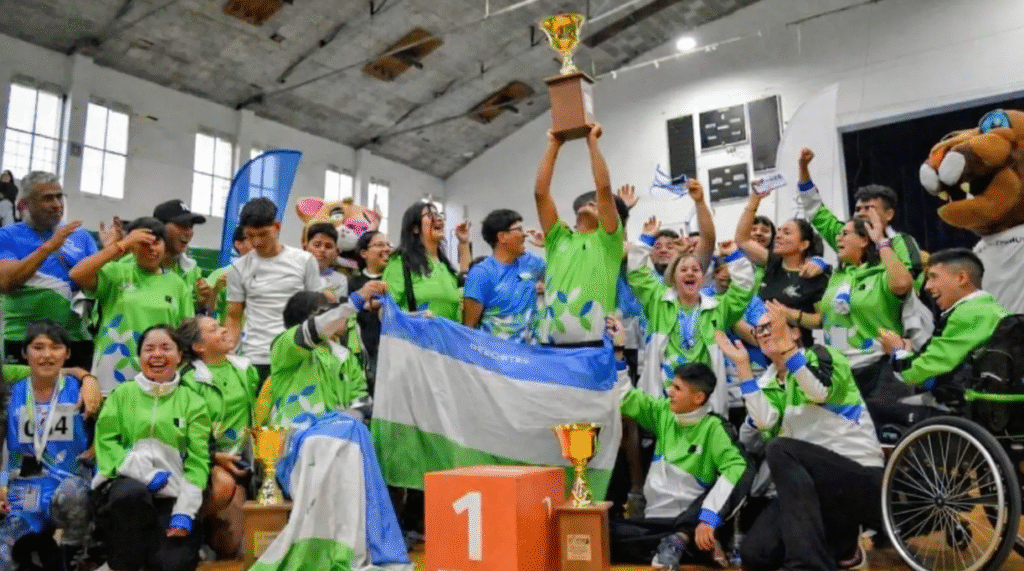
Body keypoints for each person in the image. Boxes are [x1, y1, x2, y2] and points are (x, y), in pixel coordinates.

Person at [718, 303, 883, 571]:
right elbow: (764, 422)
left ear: (795, 332)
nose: (763, 333)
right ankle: (843, 548)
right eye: (759, 330)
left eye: (771, 325)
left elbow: (819, 391)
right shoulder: (767, 383)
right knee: (755, 554)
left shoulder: (824, 355)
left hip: (858, 476)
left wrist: (788, 351)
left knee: (781, 449)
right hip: (809, 488)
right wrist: (743, 368)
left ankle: (807, 565)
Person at [607, 317, 750, 570]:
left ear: (698, 398)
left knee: (694, 532)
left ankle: (682, 542)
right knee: (605, 532)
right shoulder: (663, 412)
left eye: (677, 388)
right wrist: (619, 352)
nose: (670, 392)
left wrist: (708, 517)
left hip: (691, 521)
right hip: (654, 521)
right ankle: (677, 546)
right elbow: (625, 397)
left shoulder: (714, 427)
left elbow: (737, 469)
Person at [93, 325, 211, 571]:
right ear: (139, 357)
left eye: (166, 348)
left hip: (172, 495)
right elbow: (106, 444)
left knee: (173, 565)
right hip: (127, 488)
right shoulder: (122, 394)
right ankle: (122, 563)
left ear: (179, 356)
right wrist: (145, 474)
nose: (157, 355)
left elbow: (198, 462)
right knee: (131, 495)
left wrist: (185, 510)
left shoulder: (194, 403)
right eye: (149, 349)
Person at [776, 213, 913, 396]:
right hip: (841, 370)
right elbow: (829, 319)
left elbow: (902, 284)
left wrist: (881, 241)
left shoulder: (881, 273)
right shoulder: (837, 276)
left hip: (878, 368)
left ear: (864, 240)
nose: (838, 238)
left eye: (845, 234)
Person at [626, 224, 755, 410]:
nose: (690, 273)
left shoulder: (718, 308)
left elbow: (744, 290)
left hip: (703, 397)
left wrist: (734, 256)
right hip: (665, 395)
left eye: (695, 270)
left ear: (703, 278)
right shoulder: (658, 301)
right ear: (674, 278)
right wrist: (646, 238)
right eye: (684, 270)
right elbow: (637, 274)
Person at [0, 321, 92, 571]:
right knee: (3, 558)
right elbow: (5, 448)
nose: (47, 355)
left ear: (67, 353)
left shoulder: (82, 391)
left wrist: (86, 377)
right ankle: (40, 547)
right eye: (38, 347)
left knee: (73, 494)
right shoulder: (11, 394)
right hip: (26, 490)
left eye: (55, 347)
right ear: (24, 353)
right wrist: (1, 482)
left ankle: (74, 553)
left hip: (70, 484)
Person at [69, 217, 194, 395]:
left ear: (165, 246)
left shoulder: (177, 285)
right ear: (132, 247)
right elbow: (77, 274)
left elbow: (186, 332)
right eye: (143, 244)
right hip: (112, 370)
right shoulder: (116, 273)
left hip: (158, 370)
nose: (151, 249)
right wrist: (122, 244)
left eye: (156, 243)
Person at [533, 124, 627, 345]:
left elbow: (604, 189)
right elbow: (540, 193)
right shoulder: (557, 238)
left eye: (596, 204)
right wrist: (553, 145)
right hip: (550, 344)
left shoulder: (608, 242)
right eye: (587, 202)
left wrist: (592, 142)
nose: (591, 203)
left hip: (594, 344)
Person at [177, 316, 259, 558]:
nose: (223, 330)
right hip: (204, 460)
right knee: (223, 485)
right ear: (198, 346)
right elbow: (186, 433)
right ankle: (186, 531)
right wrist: (215, 457)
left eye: (221, 326)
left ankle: (209, 534)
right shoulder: (188, 381)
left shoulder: (246, 369)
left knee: (232, 547)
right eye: (214, 329)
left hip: (242, 459)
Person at [0, 171, 98, 368]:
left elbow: (99, 285)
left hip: (77, 339)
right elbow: (6, 282)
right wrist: (49, 247)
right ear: (25, 204)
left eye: (59, 197)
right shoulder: (7, 236)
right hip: (25, 340)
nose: (57, 204)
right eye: (47, 198)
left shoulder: (81, 236)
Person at [879, 248, 1007, 397]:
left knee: (879, 403)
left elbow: (914, 373)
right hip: (990, 401)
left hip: (972, 404)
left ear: (961, 278)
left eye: (934, 277)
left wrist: (897, 351)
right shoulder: (988, 307)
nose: (927, 286)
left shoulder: (969, 314)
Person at [226, 198, 322, 381]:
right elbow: (233, 317)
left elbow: (317, 310)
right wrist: (228, 351)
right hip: (255, 357)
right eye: (250, 235)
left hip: (297, 355)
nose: (256, 242)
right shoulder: (238, 268)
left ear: (277, 227)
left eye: (263, 234)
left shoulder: (304, 261)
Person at [267, 282, 386, 428]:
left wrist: (342, 423)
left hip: (339, 437)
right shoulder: (284, 344)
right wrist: (355, 300)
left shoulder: (346, 357)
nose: (335, 315)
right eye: (327, 312)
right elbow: (315, 329)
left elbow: (362, 401)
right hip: (293, 437)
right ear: (309, 318)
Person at [736, 186, 830, 347]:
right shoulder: (773, 262)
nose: (778, 236)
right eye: (778, 231)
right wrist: (754, 201)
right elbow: (742, 239)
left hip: (796, 348)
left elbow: (823, 320)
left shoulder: (815, 275)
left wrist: (790, 314)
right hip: (765, 347)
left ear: (803, 244)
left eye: (786, 232)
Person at [463, 209, 546, 343]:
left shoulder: (531, 262)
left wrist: (548, 245)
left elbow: (564, 276)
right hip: (494, 353)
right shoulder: (481, 273)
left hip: (531, 351)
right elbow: (469, 328)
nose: (525, 234)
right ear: (502, 237)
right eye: (519, 229)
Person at [382, 201, 466, 321]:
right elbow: (385, 311)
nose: (439, 219)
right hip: (414, 332)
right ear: (415, 228)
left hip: (447, 333)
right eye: (430, 215)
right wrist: (414, 317)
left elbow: (467, 281)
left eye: (439, 215)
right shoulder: (401, 262)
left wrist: (464, 243)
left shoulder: (446, 268)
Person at [348, 230, 391, 395]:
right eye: (380, 245)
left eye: (388, 245)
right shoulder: (353, 283)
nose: (386, 249)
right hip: (365, 353)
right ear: (364, 253)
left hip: (394, 349)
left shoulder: (396, 280)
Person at [153, 199, 213, 313]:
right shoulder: (132, 264)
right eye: (182, 225)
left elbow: (188, 315)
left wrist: (200, 304)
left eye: (191, 226)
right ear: (160, 226)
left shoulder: (192, 272)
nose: (189, 232)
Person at [206, 226, 252, 324]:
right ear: (238, 244)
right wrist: (215, 290)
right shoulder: (221, 274)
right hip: (228, 331)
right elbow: (207, 310)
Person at [304, 222, 348, 301]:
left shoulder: (340, 280)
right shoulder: (295, 272)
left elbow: (340, 307)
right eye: (317, 245)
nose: (322, 250)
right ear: (306, 247)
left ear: (336, 252)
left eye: (328, 246)